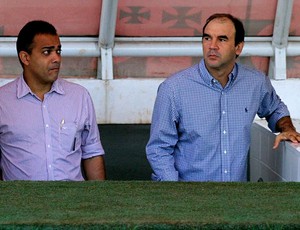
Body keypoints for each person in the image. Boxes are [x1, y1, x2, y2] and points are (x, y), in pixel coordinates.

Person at [146, 13, 300, 182]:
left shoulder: (255, 83)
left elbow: (276, 109)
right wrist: (174, 193)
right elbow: (159, 149)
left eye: (222, 39)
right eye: (207, 38)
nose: (212, 46)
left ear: (238, 47)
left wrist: (288, 129)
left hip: (235, 199)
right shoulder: (173, 89)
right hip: (188, 199)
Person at [0, 20, 106, 181]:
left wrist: (101, 201)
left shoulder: (79, 96)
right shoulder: (3, 101)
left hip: (73, 202)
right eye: (47, 52)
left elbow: (92, 153)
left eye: (58, 51)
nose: (56, 58)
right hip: (20, 203)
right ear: (25, 58)